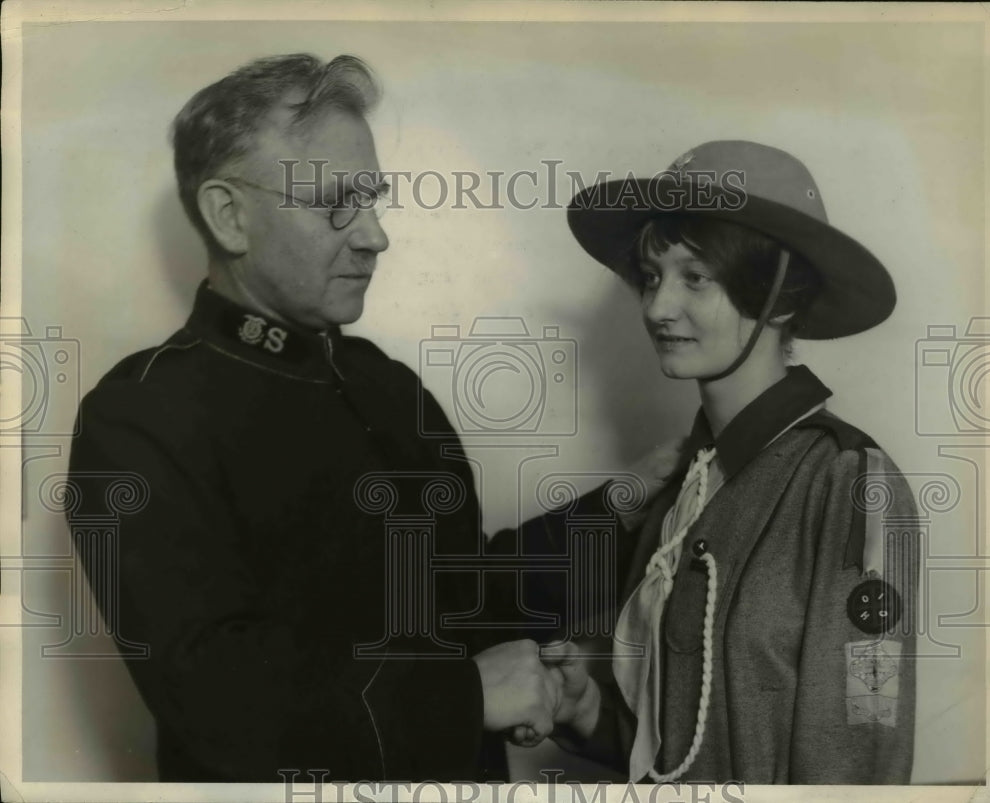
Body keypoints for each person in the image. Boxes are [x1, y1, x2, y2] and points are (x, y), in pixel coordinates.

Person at [66, 53, 591, 782]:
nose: (376, 235)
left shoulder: (387, 384)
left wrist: (622, 519)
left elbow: (454, 599)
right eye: (335, 202)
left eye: (372, 198)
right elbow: (218, 696)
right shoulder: (140, 416)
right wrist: (467, 694)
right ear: (229, 215)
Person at [514, 140, 920, 784]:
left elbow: (860, 755)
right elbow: (680, 751)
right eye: (651, 277)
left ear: (780, 299)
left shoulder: (849, 482)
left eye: (694, 278)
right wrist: (587, 712)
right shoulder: (683, 491)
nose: (656, 307)